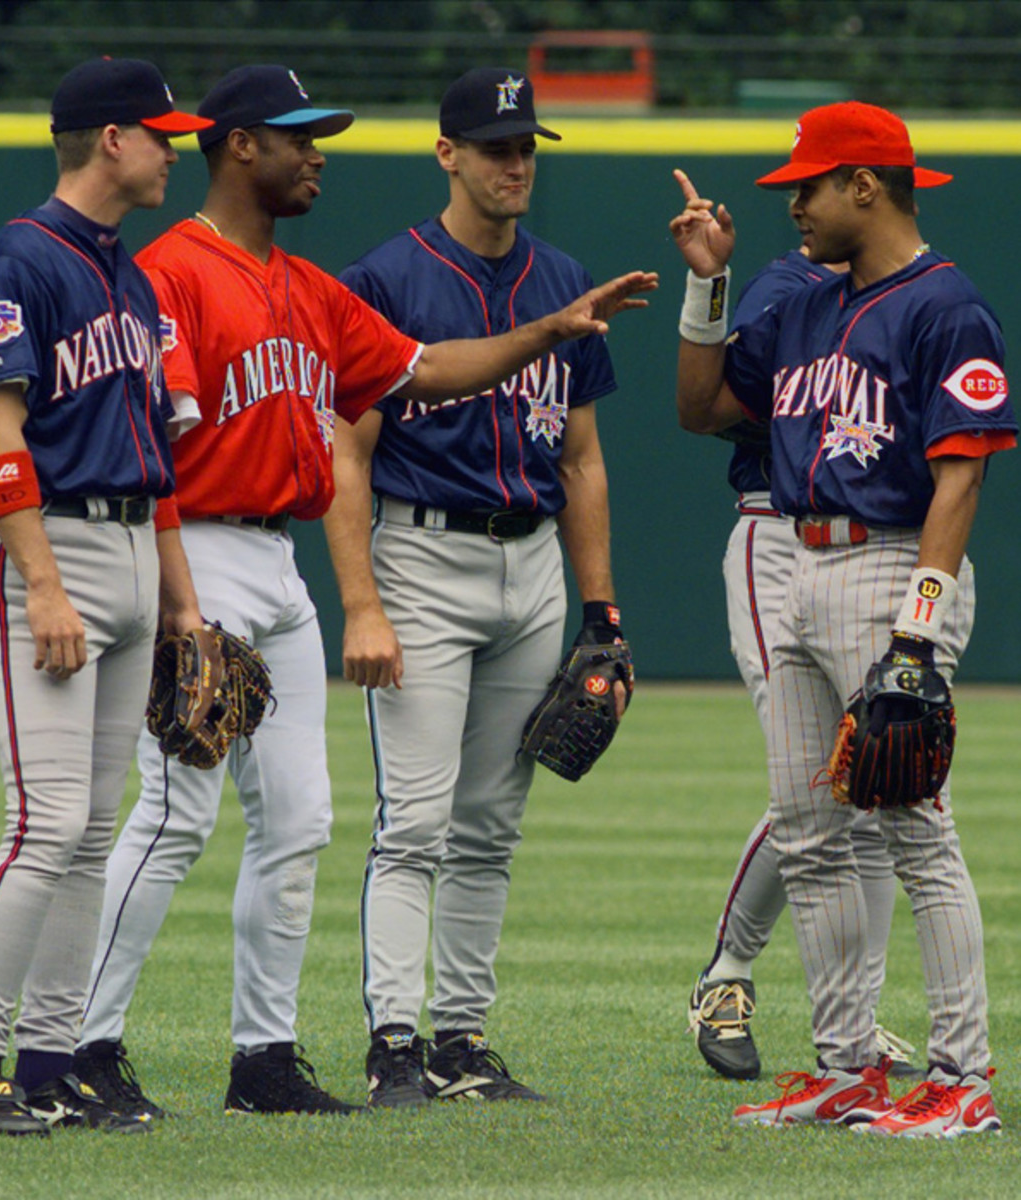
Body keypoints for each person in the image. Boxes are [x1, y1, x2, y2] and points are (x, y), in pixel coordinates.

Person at [72, 63, 655, 1119]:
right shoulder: (171, 274)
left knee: (300, 822)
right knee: (173, 818)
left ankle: (263, 1061)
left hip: (275, 560)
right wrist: (178, 602)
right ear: (240, 145)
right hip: (192, 549)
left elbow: (427, 370)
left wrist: (547, 331)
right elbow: (150, 449)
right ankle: (83, 1047)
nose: (317, 155)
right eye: (299, 137)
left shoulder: (307, 287)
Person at [671, 100, 1015, 1137]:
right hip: (800, 563)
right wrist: (706, 287)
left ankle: (961, 1078)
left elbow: (960, 478)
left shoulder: (945, 306)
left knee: (914, 832)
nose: (794, 207)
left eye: (808, 187)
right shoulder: (808, 305)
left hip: (890, 564)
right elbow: (701, 409)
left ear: (865, 185)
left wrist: (917, 631)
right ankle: (847, 1067)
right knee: (811, 833)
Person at [324, 66, 630, 1109]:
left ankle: (460, 1042)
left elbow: (580, 459)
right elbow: (348, 453)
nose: (515, 163)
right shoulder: (385, 279)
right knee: (415, 820)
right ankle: (393, 1044)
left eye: (526, 146)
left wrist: (601, 611)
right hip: (422, 555)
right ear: (446, 154)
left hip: (531, 561)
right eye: (495, 147)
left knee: (490, 825)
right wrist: (362, 602)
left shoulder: (564, 278)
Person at [0, 58, 212, 1137]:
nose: (175, 150)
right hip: (50, 557)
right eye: (161, 133)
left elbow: (155, 457)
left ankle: (47, 1070)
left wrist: (180, 603)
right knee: (43, 826)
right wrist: (42, 585)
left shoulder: (129, 277)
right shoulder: (16, 263)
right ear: (111, 140)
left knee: (91, 834)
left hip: (134, 550)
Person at [686, 245, 922, 1084]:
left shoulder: (913, 294)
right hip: (776, 530)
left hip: (875, 543)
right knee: (822, 780)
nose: (804, 201)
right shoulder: (787, 289)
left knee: (879, 775)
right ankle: (726, 973)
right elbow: (711, 407)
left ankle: (856, 1019)